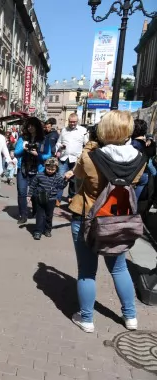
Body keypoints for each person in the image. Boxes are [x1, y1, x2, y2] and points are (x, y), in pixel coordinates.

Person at [68, 110, 144, 333]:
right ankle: (130, 317)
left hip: (87, 218)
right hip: (118, 219)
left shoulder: (90, 156)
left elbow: (78, 174)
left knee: (87, 271)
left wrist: (89, 147)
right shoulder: (139, 159)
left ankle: (87, 318)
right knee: (119, 268)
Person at [14, 117, 52, 224]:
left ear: (37, 127)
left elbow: (48, 155)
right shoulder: (22, 138)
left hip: (37, 169)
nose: (30, 128)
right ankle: (23, 215)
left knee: (35, 193)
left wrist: (38, 154)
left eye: (32, 125)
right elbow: (16, 153)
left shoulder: (44, 139)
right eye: (28, 126)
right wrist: (24, 148)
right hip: (23, 169)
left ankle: (35, 210)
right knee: (21, 192)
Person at [28, 157, 69, 240]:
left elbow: (61, 186)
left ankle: (47, 230)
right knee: (39, 215)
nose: (50, 171)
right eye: (48, 168)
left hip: (51, 199)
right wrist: (29, 195)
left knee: (49, 216)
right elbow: (33, 185)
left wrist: (66, 180)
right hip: (41, 198)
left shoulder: (58, 177)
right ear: (45, 166)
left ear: (56, 169)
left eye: (52, 169)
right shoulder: (40, 175)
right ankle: (38, 231)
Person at [55, 113, 88, 203]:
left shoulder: (83, 130)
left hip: (76, 159)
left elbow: (87, 144)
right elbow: (58, 142)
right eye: (70, 122)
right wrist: (60, 146)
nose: (72, 123)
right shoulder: (64, 130)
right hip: (64, 158)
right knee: (61, 178)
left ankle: (71, 198)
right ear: (68, 121)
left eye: (74, 122)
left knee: (75, 180)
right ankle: (57, 198)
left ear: (77, 121)